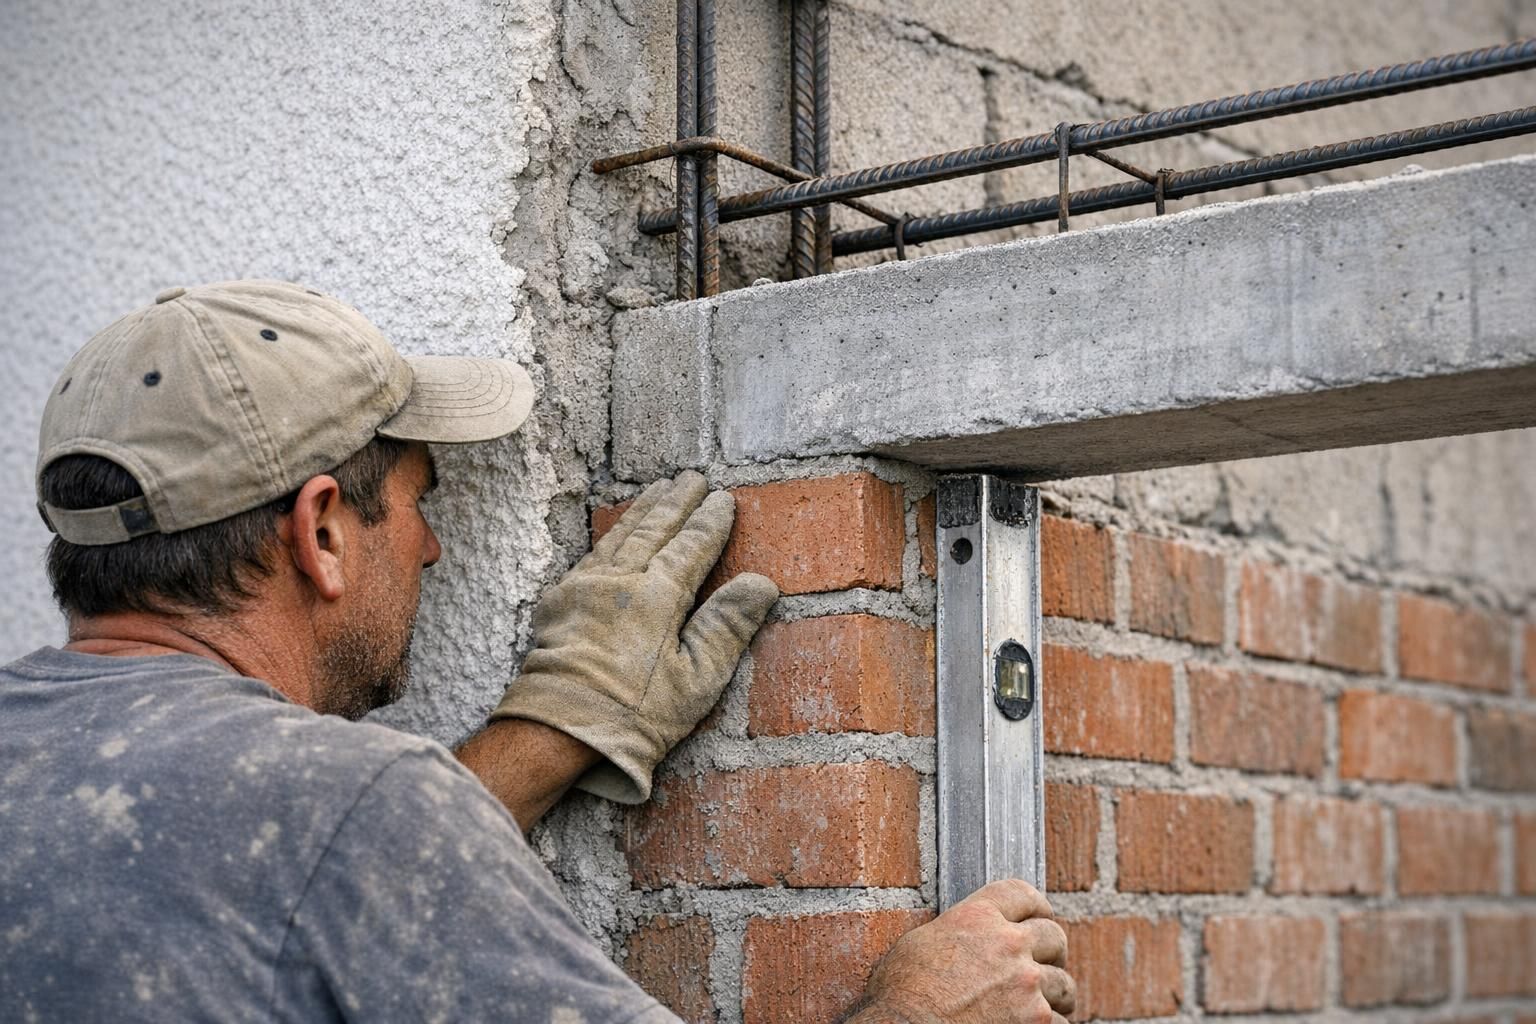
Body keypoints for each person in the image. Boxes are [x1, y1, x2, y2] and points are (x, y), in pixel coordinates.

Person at [0, 280, 1076, 1022]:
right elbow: (325, 841)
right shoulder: (369, 809)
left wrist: (542, 735)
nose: (429, 545)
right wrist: (923, 1009)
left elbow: (255, 879)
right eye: (422, 498)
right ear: (321, 532)